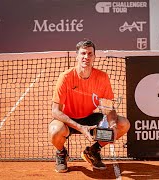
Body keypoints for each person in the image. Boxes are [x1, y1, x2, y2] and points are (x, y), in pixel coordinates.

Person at [48, 40, 130, 173]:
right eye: (83, 53)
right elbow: (55, 111)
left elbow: (108, 108)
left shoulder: (102, 77)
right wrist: (80, 127)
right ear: (77, 56)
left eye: (90, 54)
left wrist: (113, 125)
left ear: (94, 57)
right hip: (68, 119)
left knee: (123, 124)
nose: (86, 57)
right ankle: (61, 153)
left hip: (90, 117)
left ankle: (93, 150)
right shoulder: (65, 77)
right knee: (54, 130)